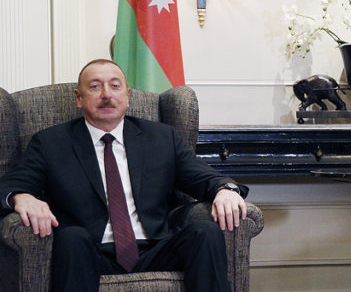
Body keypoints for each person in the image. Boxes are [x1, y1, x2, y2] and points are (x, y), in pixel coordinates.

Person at [0, 59, 248, 292]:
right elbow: (11, 184)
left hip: (155, 247)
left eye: (115, 86)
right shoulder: (51, 143)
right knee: (73, 237)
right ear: (79, 98)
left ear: (127, 96)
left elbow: (203, 176)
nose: (106, 94)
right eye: (95, 86)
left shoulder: (161, 138)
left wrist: (225, 190)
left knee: (205, 233)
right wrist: (20, 197)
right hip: (88, 251)